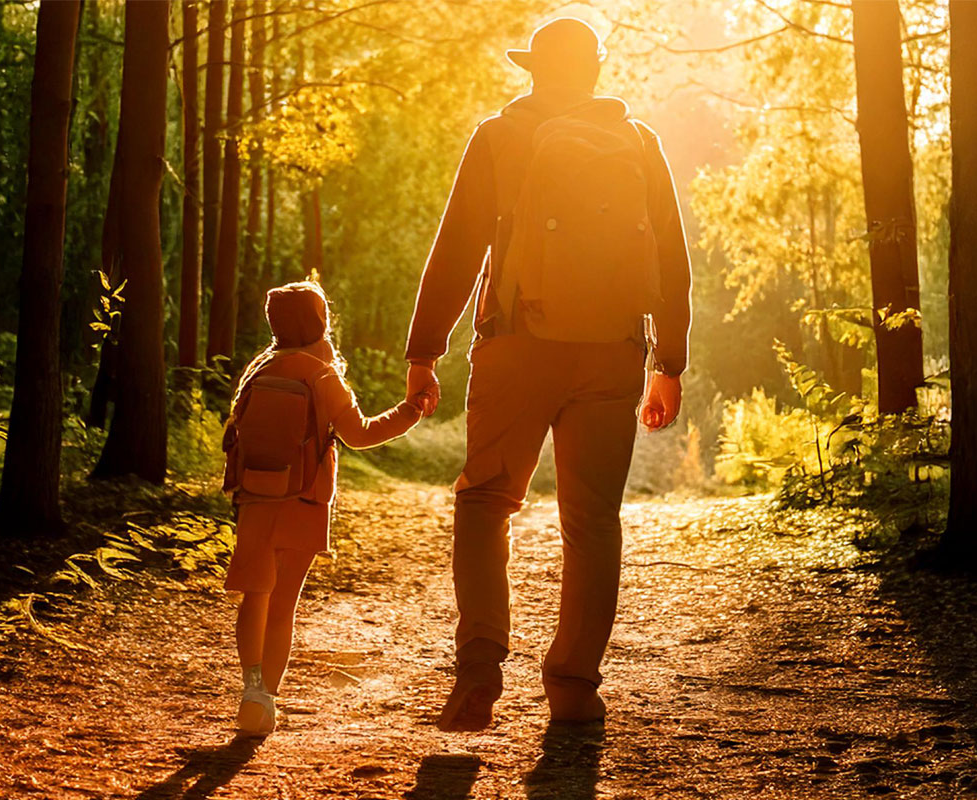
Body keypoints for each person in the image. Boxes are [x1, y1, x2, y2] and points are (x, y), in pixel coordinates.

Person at [404, 17, 692, 730]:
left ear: (533, 71)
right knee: (592, 521)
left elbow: (458, 247)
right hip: (613, 353)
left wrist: (424, 349)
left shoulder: (499, 137)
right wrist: (670, 363)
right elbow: (675, 263)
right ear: (595, 70)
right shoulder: (640, 141)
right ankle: (574, 687)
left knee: (486, 501)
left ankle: (479, 664)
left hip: (516, 346)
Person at [222, 281, 426, 736]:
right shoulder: (322, 376)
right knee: (283, 604)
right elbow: (361, 434)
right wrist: (410, 411)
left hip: (255, 495)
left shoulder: (258, 371)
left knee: (256, 594)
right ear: (319, 322)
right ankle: (267, 701)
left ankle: (251, 689)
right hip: (306, 499)